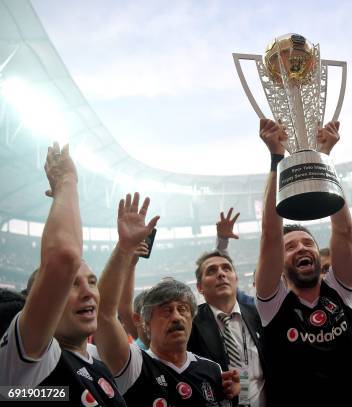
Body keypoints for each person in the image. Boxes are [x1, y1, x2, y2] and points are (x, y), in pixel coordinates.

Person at [0, 143, 126, 406]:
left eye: (92, 282)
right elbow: (64, 257)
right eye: (71, 284)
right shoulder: (29, 363)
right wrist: (67, 182)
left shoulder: (101, 366)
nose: (89, 291)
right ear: (44, 299)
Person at [95, 192, 239, 406]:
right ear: (145, 323)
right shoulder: (134, 364)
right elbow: (104, 314)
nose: (176, 317)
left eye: (183, 309)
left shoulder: (213, 370)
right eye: (165, 310)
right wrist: (124, 250)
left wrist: (237, 393)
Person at [255, 119, 352, 406]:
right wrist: (276, 158)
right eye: (291, 247)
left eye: (308, 243)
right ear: (282, 261)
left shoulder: (341, 290)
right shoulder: (272, 304)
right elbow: (270, 234)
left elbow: (344, 230)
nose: (302, 248)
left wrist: (324, 159)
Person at [188, 250, 267, 407]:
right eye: (212, 271)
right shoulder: (191, 324)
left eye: (226, 268)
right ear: (199, 287)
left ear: (236, 280)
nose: (221, 274)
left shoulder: (259, 315)